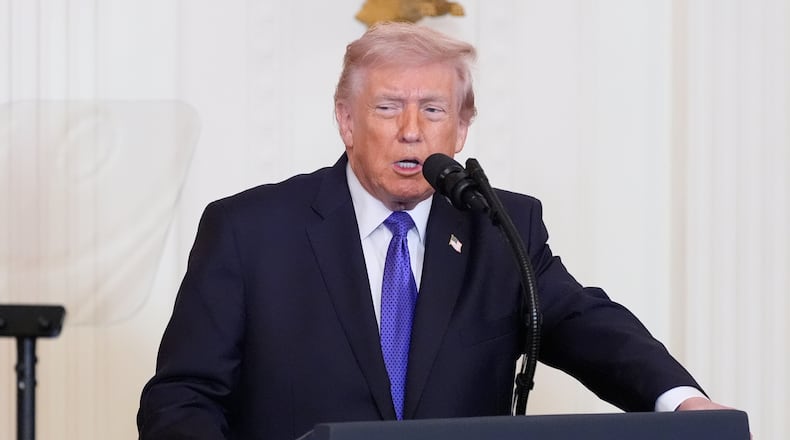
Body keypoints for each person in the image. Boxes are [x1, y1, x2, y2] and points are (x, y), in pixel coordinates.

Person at [137, 22, 732, 440]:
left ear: (462, 129)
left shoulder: (501, 227)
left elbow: (585, 325)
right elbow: (180, 399)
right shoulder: (249, 231)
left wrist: (683, 403)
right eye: (388, 107)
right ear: (346, 121)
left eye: (435, 110)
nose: (412, 131)